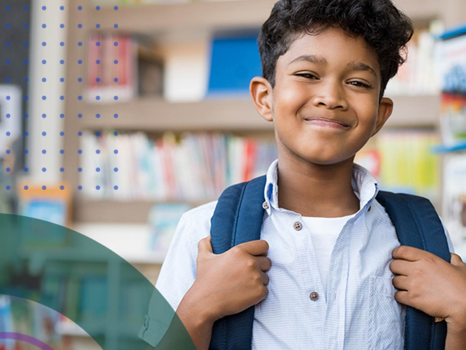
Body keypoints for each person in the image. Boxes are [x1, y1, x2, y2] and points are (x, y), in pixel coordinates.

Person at [148, 0, 466, 349]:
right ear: (264, 98)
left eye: (358, 82)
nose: (331, 97)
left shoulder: (421, 238)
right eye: (307, 75)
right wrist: (198, 308)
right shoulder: (204, 233)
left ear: (380, 115)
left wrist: (463, 317)